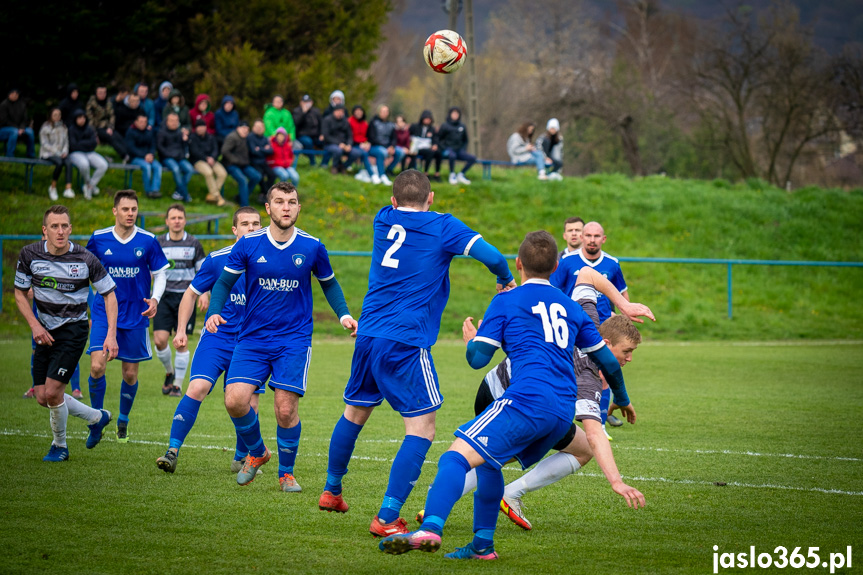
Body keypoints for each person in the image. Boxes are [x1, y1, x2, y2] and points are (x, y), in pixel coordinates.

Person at [378, 231, 633, 560]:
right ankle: (482, 546)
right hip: (560, 413)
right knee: (489, 464)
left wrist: (472, 339)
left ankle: (430, 529)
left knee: (454, 459)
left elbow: (477, 360)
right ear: (556, 265)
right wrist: (622, 399)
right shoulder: (571, 306)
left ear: (518, 264)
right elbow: (609, 363)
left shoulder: (506, 301)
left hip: (526, 401)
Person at [318, 170, 515, 538]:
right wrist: (505, 280)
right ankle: (387, 517)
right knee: (422, 428)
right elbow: (491, 255)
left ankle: (332, 490)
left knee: (355, 412)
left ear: (393, 201)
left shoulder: (382, 217)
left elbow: (403, 217)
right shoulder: (443, 226)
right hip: (404, 339)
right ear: (432, 198)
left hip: (369, 333)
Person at [454, 267, 650, 531]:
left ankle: (455, 492)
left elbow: (588, 275)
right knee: (507, 452)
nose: (629, 358)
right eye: (626, 351)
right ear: (606, 342)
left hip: (507, 388)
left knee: (556, 447)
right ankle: (454, 494)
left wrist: (623, 304)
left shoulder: (588, 320)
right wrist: (616, 481)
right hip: (510, 397)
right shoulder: (586, 377)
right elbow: (595, 433)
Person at [205, 181, 358, 491]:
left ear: (298, 208)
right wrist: (213, 312)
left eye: (292, 202)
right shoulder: (248, 245)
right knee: (234, 400)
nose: (286, 207)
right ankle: (258, 452)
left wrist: (343, 314)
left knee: (285, 409)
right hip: (252, 338)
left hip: (293, 340)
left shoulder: (312, 246)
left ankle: (286, 473)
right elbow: (222, 283)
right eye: (279, 202)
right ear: (268, 208)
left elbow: (329, 283)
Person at [155, 207, 262, 473]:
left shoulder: (270, 262)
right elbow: (190, 294)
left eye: (256, 223)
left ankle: (241, 458)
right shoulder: (217, 259)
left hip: (251, 344)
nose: (251, 228)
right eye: (245, 223)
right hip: (218, 339)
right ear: (234, 230)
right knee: (197, 387)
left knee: (248, 402)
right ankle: (172, 450)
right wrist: (181, 330)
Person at [15, 205, 119, 461]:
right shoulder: (29, 255)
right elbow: (19, 293)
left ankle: (59, 446)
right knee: (42, 396)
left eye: (64, 226)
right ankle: (98, 417)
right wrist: (34, 325)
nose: (60, 231)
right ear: (44, 230)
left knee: (52, 393)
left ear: (70, 229)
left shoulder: (85, 258)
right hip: (44, 330)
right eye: (54, 226)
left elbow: (110, 295)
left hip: (73, 331)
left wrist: (111, 334)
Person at [86, 190, 170, 442]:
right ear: (115, 211)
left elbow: (161, 273)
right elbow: (84, 271)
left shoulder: (148, 240)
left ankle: (122, 419)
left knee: (130, 374)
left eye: (134, 209)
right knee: (97, 366)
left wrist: (155, 298)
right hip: (103, 312)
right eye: (125, 209)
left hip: (135, 314)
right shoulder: (99, 239)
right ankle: (97, 419)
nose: (130, 213)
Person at [550, 221, 629, 438]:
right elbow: (554, 291)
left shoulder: (612, 264)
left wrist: (625, 319)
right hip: (572, 327)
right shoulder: (567, 262)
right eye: (588, 235)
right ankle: (563, 420)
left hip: (603, 329)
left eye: (597, 236)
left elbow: (621, 295)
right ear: (582, 238)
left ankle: (600, 425)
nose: (592, 239)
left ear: (603, 239)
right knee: (569, 374)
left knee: (602, 374)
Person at [153, 203, 206, 397]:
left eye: (180, 218)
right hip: (164, 297)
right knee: (160, 340)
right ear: (167, 221)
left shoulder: (193, 243)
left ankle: (177, 384)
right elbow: (152, 271)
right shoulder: (158, 243)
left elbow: (202, 272)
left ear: (185, 221)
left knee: (182, 341)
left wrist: (204, 294)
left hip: (187, 297)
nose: (177, 221)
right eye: (173, 218)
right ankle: (169, 371)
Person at [67, 109, 108, 200]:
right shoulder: (71, 130)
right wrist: (86, 143)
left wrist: (81, 143)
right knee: (84, 164)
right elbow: (73, 145)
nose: (82, 120)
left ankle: (89, 186)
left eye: (83, 117)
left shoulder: (89, 129)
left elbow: (93, 143)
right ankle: (89, 185)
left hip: (90, 152)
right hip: (76, 153)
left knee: (103, 165)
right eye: (79, 118)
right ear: (75, 119)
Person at [321, 105, 371, 176]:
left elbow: (350, 135)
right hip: (330, 144)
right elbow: (326, 136)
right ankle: (334, 167)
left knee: (356, 153)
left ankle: (343, 167)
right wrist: (339, 144)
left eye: (342, 112)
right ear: (334, 111)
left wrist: (349, 145)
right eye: (339, 111)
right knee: (338, 150)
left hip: (345, 145)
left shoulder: (345, 121)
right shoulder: (327, 120)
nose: (340, 113)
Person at [221, 122, 261, 207]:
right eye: (243, 128)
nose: (245, 131)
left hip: (243, 165)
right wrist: (235, 160)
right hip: (231, 165)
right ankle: (245, 205)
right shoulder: (232, 137)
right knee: (243, 180)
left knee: (257, 176)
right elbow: (224, 151)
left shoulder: (247, 138)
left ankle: (240, 197)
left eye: (247, 129)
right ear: (238, 128)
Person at [189, 118, 227, 206]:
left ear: (205, 127)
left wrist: (212, 158)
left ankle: (211, 196)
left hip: (212, 160)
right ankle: (218, 196)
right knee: (209, 173)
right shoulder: (193, 138)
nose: (201, 128)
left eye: (202, 126)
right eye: (198, 127)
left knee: (222, 173)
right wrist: (206, 158)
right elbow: (194, 152)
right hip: (198, 161)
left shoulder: (211, 137)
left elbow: (215, 149)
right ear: (196, 128)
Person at [157, 111, 194, 202]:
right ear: (167, 121)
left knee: (190, 169)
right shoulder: (162, 132)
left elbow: (185, 147)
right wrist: (170, 155)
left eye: (176, 120)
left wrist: (185, 140)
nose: (174, 123)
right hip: (167, 158)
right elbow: (160, 148)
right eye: (172, 120)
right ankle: (185, 195)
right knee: (176, 169)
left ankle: (178, 192)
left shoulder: (180, 132)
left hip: (179, 158)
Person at [126, 112, 163, 199]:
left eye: (145, 122)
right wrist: (144, 156)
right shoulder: (130, 132)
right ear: (136, 122)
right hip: (135, 158)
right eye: (141, 121)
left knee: (158, 166)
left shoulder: (149, 131)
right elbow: (131, 148)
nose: (143, 124)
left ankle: (155, 190)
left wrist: (151, 155)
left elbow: (153, 145)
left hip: (149, 157)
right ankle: (148, 191)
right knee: (147, 167)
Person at [39, 108, 74, 200]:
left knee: (69, 163)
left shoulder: (63, 127)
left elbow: (66, 142)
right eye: (55, 115)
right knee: (59, 163)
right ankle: (53, 187)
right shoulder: (45, 127)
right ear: (50, 116)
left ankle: (68, 188)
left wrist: (65, 151)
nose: (57, 117)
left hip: (61, 153)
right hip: (48, 153)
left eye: (59, 115)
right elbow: (44, 144)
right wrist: (57, 152)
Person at [86, 85, 127, 161]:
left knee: (118, 136)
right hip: (97, 128)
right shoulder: (91, 104)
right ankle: (124, 155)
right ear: (96, 93)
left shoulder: (108, 102)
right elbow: (90, 121)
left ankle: (128, 153)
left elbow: (112, 116)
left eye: (104, 92)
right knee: (110, 137)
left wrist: (110, 127)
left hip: (107, 127)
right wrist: (94, 134)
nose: (102, 94)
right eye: (100, 93)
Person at [437, 107, 475, 185]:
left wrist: (463, 149)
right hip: (448, 149)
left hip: (459, 150)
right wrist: (443, 147)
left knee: (472, 158)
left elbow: (465, 140)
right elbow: (439, 138)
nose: (455, 115)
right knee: (452, 155)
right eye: (453, 113)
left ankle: (461, 175)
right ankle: (452, 174)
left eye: (457, 114)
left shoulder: (462, 126)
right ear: (450, 114)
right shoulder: (445, 125)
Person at [367, 105, 405, 185]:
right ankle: (382, 175)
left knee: (401, 152)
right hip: (375, 147)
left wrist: (392, 146)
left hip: (388, 147)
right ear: (379, 112)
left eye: (386, 111)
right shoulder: (373, 122)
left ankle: (388, 170)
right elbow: (371, 138)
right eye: (383, 111)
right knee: (382, 152)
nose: (385, 113)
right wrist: (385, 147)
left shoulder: (391, 124)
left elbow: (394, 138)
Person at [0, 88, 36, 158]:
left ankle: (31, 155)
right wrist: (17, 128)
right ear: (9, 95)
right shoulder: (3, 105)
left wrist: (22, 128)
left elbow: (24, 119)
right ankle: (10, 155)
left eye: (16, 94)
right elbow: (4, 120)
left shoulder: (22, 105)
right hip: (4, 129)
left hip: (20, 128)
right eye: (13, 94)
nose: (15, 95)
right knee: (14, 132)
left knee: (30, 132)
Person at [248, 119, 276, 204]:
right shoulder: (250, 137)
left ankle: (264, 194)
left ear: (263, 128)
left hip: (263, 162)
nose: (259, 129)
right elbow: (253, 151)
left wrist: (259, 149)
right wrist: (264, 149)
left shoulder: (264, 138)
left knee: (272, 175)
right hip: (253, 162)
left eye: (261, 127)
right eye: (257, 127)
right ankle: (266, 195)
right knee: (260, 176)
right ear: (253, 128)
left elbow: (271, 151)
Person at [408, 110, 441, 181]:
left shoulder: (432, 129)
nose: (427, 120)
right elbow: (408, 135)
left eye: (429, 119)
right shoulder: (415, 126)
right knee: (430, 152)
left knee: (438, 152)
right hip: (417, 148)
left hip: (427, 147)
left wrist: (435, 145)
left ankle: (437, 174)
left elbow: (435, 138)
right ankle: (426, 173)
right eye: (426, 119)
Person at [292, 94, 323, 165]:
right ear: (301, 103)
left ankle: (324, 164)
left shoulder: (316, 111)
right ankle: (313, 162)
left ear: (311, 102)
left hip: (315, 135)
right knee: (308, 142)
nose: (307, 104)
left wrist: (322, 134)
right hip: (302, 136)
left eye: (308, 102)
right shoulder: (297, 111)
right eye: (305, 102)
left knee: (326, 141)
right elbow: (296, 123)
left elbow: (322, 124)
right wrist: (303, 113)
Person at [348, 105, 374, 182]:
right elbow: (349, 136)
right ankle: (372, 174)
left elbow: (368, 136)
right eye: (357, 111)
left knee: (375, 152)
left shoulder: (365, 123)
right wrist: (360, 144)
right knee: (364, 153)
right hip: (353, 144)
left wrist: (368, 143)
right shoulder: (349, 121)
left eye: (360, 111)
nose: (359, 113)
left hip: (364, 145)